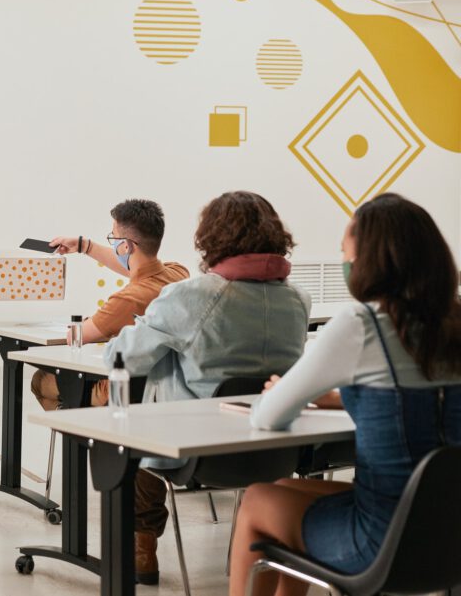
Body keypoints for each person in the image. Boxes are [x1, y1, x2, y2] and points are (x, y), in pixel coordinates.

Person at [229, 193, 461, 596]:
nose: (345, 263)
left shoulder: (363, 323)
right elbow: (421, 404)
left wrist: (284, 390)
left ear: (373, 260)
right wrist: (341, 398)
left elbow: (268, 417)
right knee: (283, 488)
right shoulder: (454, 321)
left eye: (346, 253)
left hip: (381, 540)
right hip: (448, 533)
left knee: (256, 499)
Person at [104, 191, 311, 584]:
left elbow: (121, 357)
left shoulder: (194, 295)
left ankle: (141, 543)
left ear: (211, 238)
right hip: (276, 451)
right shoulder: (298, 299)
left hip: (197, 451)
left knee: (136, 407)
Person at [30, 199, 188, 411]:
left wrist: (91, 322)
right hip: (164, 384)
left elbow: (77, 336)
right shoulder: (178, 273)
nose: (112, 243)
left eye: (113, 237)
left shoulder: (127, 300)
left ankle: (81, 436)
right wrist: (84, 246)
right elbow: (138, 269)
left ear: (126, 245)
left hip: (120, 387)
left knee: (40, 381)